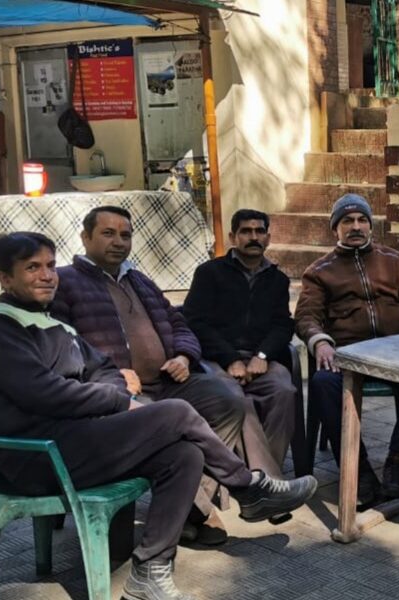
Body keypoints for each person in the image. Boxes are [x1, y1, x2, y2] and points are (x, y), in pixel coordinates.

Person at [0, 232, 317, 600]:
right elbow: (45, 393)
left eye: (50, 266)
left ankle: (150, 569)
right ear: (4, 277)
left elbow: (106, 371)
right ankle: (248, 487)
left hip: (77, 443)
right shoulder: (1, 327)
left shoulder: (56, 325)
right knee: (176, 412)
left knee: (184, 455)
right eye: (32, 268)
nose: (47, 275)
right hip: (35, 457)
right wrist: (115, 401)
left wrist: (110, 394)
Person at [50, 205, 244, 544]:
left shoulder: (139, 280)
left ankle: (188, 505)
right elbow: (60, 341)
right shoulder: (65, 282)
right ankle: (198, 511)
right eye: (108, 233)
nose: (119, 242)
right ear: (85, 237)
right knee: (167, 423)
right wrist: (108, 374)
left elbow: (179, 324)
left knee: (228, 400)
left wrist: (183, 356)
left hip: (168, 382)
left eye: (125, 235)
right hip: (118, 392)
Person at [295, 194, 399, 505]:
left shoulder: (394, 261)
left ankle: (397, 463)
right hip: (348, 357)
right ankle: (358, 471)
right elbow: (306, 317)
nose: (356, 226)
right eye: (347, 221)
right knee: (322, 383)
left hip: (395, 354)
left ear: (371, 226)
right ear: (335, 229)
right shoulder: (319, 271)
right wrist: (320, 341)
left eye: (362, 220)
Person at [184, 209, 296, 478]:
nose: (253, 237)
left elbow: (283, 325)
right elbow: (195, 322)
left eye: (259, 231)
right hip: (215, 359)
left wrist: (263, 355)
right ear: (233, 237)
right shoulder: (210, 273)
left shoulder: (277, 280)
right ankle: (266, 480)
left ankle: (263, 476)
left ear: (268, 238)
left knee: (284, 391)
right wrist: (230, 359)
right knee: (235, 399)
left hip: (260, 361)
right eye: (246, 231)